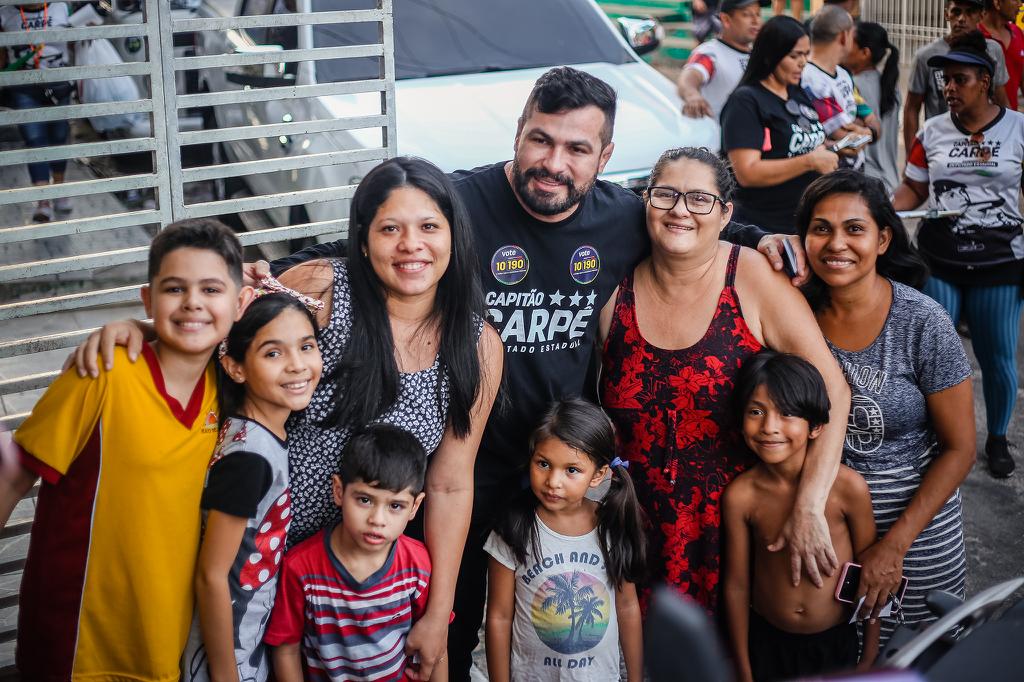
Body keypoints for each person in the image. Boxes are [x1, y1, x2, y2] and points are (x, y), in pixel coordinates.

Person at [70, 68, 807, 681]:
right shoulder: (366, 263)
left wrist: (762, 237)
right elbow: (225, 319)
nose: (555, 160)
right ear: (517, 133)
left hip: (445, 522)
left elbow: (697, 216)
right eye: (539, 139)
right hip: (276, 551)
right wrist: (136, 329)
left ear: (605, 156)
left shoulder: (507, 310)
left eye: (577, 148)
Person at [68, 157, 503, 682]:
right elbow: (221, 337)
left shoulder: (476, 346)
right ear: (363, 240)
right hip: (252, 562)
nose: (411, 245)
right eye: (390, 228)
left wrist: (437, 613)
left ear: (454, 236)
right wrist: (138, 329)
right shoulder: (321, 289)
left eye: (429, 226)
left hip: (354, 590)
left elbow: (452, 485)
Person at [598, 147, 851, 617]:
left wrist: (809, 505)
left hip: (740, 528)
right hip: (634, 533)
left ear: (725, 213)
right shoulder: (615, 290)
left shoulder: (752, 277)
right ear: (645, 201)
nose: (679, 210)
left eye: (699, 199)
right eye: (666, 195)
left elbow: (833, 390)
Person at [0, 219, 251, 680]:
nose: (193, 302)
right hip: (75, 641)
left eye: (211, 290)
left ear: (240, 304)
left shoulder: (228, 383)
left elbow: (301, 314)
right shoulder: (102, 373)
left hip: (160, 641)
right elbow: (12, 474)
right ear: (148, 299)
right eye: (174, 289)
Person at [800, 170, 976, 641]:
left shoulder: (922, 322)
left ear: (883, 239)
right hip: (827, 535)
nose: (837, 243)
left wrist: (893, 547)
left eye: (854, 228)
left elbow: (960, 449)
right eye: (821, 228)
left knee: (920, 656)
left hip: (916, 538)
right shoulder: (793, 316)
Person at [894, 31, 1023, 478]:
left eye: (959, 79)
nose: (948, 88)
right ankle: (941, 435)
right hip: (939, 258)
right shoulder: (931, 131)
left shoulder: (1018, 129)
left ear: (985, 80)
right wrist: (882, 213)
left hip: (1000, 263)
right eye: (945, 81)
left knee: (997, 356)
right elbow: (913, 187)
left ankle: (998, 438)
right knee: (933, 355)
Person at [181, 291, 323, 682]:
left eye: (307, 346)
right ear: (236, 368)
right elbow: (211, 575)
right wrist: (227, 674)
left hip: (247, 638)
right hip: (226, 657)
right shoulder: (249, 459)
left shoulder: (258, 432)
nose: (297, 365)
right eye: (273, 353)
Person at [723, 351, 879, 682]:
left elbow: (871, 574)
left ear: (817, 427)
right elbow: (737, 585)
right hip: (767, 642)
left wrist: (870, 654)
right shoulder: (742, 496)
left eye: (787, 414)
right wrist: (743, 667)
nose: (769, 427)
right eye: (756, 412)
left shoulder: (848, 489)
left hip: (835, 643)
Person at [265, 424, 446, 681]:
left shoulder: (417, 564)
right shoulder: (301, 567)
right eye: (364, 500)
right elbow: (286, 648)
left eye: (395, 505)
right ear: (339, 491)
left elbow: (436, 645)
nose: (377, 519)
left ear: (415, 507)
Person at [484, 399, 645, 682]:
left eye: (572, 470)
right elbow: (499, 617)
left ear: (598, 475)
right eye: (543, 464)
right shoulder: (514, 528)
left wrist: (634, 677)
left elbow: (628, 606)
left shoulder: (611, 525)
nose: (553, 481)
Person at [721, 16, 838, 233]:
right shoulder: (746, 101)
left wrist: (828, 148)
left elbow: (799, 142)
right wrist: (810, 161)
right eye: (794, 55)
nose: (802, 62)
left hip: (806, 219)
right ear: (770, 56)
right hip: (766, 226)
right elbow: (747, 173)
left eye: (805, 54)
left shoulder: (796, 92)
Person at [903, 0, 1010, 154]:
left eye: (970, 12)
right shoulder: (926, 56)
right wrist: (911, 155)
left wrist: (1009, 139)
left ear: (982, 15)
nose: (961, 19)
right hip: (941, 147)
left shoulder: (993, 51)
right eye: (956, 12)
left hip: (984, 146)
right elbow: (912, 108)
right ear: (947, 14)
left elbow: (1001, 100)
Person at [0, 2, 75, 222]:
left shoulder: (62, 7)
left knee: (59, 138)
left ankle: (59, 190)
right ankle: (43, 201)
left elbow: (77, 40)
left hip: (59, 84)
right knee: (34, 140)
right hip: (24, 86)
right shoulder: (5, 13)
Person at [800, 6, 880, 170]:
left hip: (853, 171)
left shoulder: (843, 74)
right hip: (831, 177)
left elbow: (872, 121)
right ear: (844, 36)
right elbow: (847, 139)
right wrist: (867, 133)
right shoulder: (809, 78)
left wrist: (868, 133)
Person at [678, 0, 765, 122]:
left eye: (758, 14)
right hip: (721, 137)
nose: (756, 21)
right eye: (746, 15)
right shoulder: (710, 53)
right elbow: (690, 75)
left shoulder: (758, 55)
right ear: (726, 19)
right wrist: (692, 96)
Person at [844, 22, 902, 190]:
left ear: (865, 53)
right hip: (891, 182)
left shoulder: (852, 87)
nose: (843, 46)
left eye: (849, 42)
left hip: (867, 182)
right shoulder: (891, 86)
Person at [980, 0, 1024, 110]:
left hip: (1010, 121)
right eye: (1016, 0)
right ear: (997, 3)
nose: (1020, 5)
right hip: (982, 123)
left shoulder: (1018, 33)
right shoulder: (975, 36)